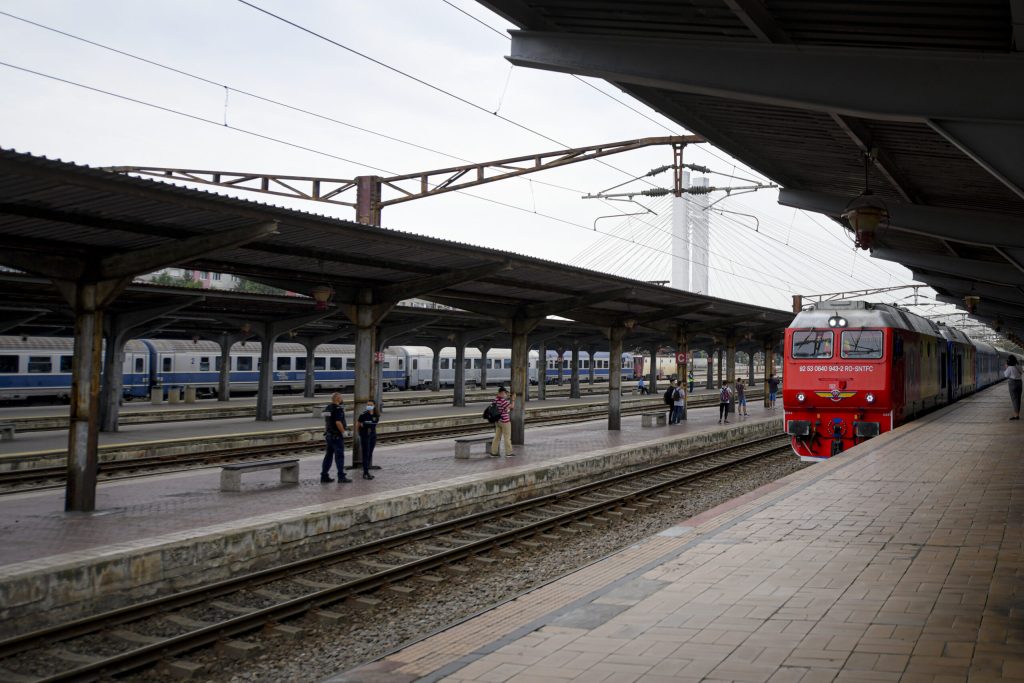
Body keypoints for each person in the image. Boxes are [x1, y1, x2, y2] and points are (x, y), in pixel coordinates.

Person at [320, 392, 351, 483]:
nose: (342, 399)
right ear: (337, 399)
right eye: (341, 397)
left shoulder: (327, 408)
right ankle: (341, 476)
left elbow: (327, 422)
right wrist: (343, 432)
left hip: (329, 435)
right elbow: (338, 422)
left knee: (328, 456)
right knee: (339, 456)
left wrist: (326, 431)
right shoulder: (338, 409)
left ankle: (324, 475)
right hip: (336, 436)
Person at [356, 400, 380, 479]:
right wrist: (359, 433)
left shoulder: (376, 415)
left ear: (374, 405)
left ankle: (367, 470)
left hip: (372, 435)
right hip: (365, 435)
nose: (369, 406)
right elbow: (358, 424)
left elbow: (374, 424)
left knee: (370, 453)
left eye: (371, 404)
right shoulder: (363, 415)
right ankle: (365, 472)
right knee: (365, 454)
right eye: (368, 405)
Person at [489, 386, 515, 457]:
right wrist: (513, 400)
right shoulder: (503, 401)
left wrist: (508, 397)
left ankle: (494, 452)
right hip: (505, 421)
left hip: (498, 421)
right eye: (504, 393)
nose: (505, 395)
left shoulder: (495, 400)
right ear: (501, 393)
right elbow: (512, 407)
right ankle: (509, 453)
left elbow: (504, 407)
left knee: (497, 437)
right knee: (507, 437)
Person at [1005, 355, 1022, 420]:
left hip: (1012, 383)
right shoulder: (1018, 366)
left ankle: (1016, 415)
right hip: (1019, 382)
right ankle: (1017, 414)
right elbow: (1021, 373)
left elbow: (1006, 375)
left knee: (1014, 399)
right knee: (1018, 399)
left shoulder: (1010, 367)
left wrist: (1006, 368)